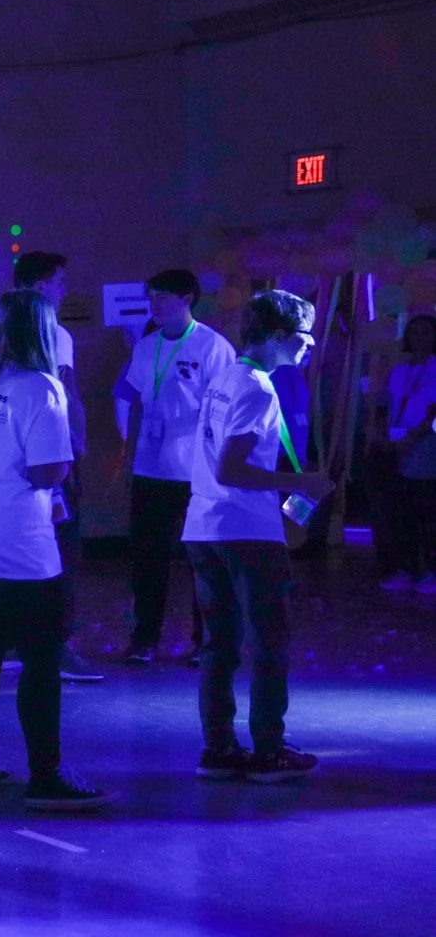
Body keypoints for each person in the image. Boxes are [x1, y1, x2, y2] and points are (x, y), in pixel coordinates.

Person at [0, 290, 108, 810]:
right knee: (42, 654)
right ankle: (46, 774)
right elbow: (46, 471)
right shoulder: (40, 388)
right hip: (15, 540)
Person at [183, 289, 334, 783]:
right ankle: (269, 749)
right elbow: (231, 467)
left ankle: (220, 748)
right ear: (275, 336)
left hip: (204, 527)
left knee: (219, 644)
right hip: (246, 531)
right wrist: (300, 483)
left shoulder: (224, 377)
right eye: (303, 336)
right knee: (268, 640)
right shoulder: (257, 387)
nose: (310, 345)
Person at [113, 269, 240, 662]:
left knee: (204, 562)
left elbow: (226, 408)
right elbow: (128, 393)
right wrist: (125, 438)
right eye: (152, 297)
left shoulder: (212, 347)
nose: (155, 304)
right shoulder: (146, 346)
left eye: (164, 297)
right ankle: (145, 637)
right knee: (148, 560)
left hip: (196, 473)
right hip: (150, 469)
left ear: (187, 299)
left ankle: (208, 641)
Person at [12, 250, 103, 683]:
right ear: (40, 286)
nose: (64, 290)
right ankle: (58, 646)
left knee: (20, 549)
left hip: (13, 463)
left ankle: (16, 640)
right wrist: (76, 449)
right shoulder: (54, 334)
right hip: (53, 457)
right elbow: (68, 397)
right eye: (59, 282)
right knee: (62, 548)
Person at [378, 314, 436, 592]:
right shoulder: (400, 370)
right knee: (400, 512)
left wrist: (414, 436)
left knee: (424, 510)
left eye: (426, 333)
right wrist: (386, 438)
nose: (419, 339)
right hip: (396, 443)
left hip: (425, 445)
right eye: (414, 333)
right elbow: (389, 405)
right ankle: (405, 567)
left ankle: (427, 571)